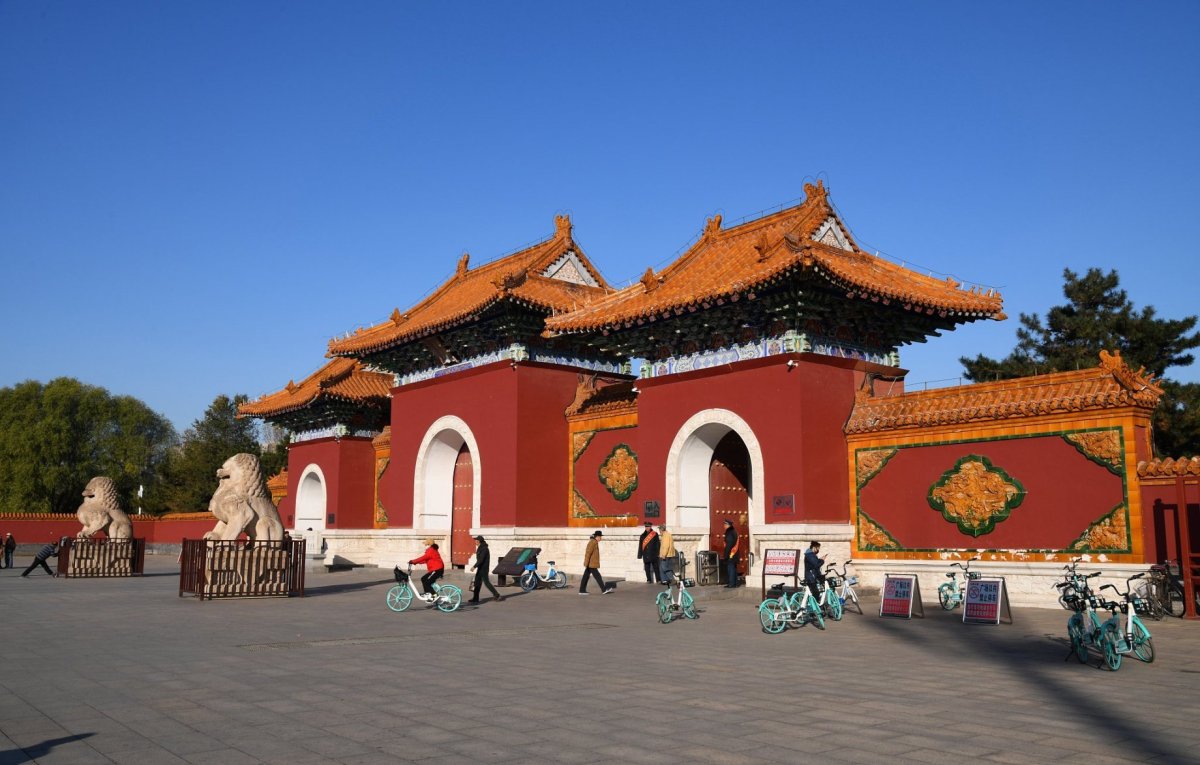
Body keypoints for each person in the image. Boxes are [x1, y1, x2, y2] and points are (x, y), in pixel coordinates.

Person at [468, 535, 504, 604]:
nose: (475, 542)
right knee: (477, 583)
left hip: (484, 569)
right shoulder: (480, 548)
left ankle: (497, 595)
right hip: (480, 568)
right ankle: (475, 598)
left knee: (486, 582)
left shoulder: (484, 549)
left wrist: (474, 566)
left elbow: (481, 560)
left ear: (479, 541)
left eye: (476, 540)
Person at [579, 530, 614, 595]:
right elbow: (588, 553)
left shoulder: (594, 542)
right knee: (598, 577)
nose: (601, 538)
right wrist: (586, 563)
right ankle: (604, 590)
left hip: (591, 564)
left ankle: (582, 590)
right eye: (600, 537)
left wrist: (587, 563)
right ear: (597, 537)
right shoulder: (593, 542)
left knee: (585, 577)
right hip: (591, 564)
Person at [723, 519, 741, 588]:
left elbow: (729, 545)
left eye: (725, 524)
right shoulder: (734, 531)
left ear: (728, 525)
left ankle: (731, 583)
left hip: (731, 553)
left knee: (730, 568)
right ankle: (735, 583)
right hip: (734, 553)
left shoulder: (730, 532)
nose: (724, 526)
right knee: (733, 568)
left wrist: (726, 554)